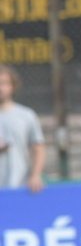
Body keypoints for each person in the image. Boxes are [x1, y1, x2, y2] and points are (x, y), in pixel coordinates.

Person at [0, 65, 46, 193]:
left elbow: (38, 148)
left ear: (12, 87)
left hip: (19, 186)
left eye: (4, 83)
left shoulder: (26, 115)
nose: (0, 88)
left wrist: (36, 175)